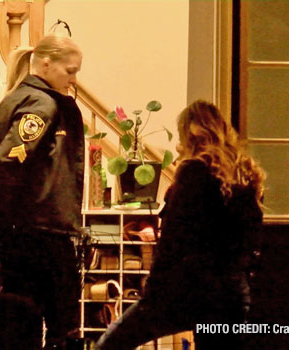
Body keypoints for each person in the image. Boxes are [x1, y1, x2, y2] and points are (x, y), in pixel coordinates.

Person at [95, 100, 266, 349]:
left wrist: (153, 289)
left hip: (184, 290)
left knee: (110, 344)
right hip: (229, 291)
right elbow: (252, 240)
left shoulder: (193, 173)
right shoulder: (246, 174)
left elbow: (174, 241)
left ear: (188, 135)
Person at [0, 34, 85, 350]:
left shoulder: (18, 97)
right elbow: (11, 158)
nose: (73, 79)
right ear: (46, 62)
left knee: (21, 321)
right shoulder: (42, 105)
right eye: (70, 70)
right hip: (43, 232)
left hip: (23, 232)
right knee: (62, 325)